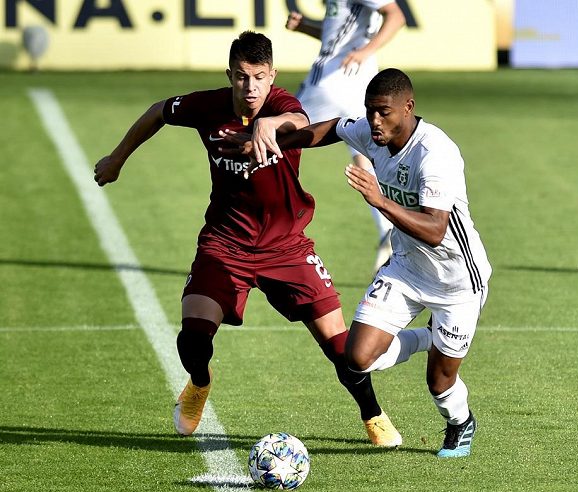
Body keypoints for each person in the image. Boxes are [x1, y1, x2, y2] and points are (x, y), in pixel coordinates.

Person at [93, 31, 403, 447]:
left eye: (259, 77)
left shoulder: (282, 107)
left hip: (287, 245)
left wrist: (271, 125)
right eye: (241, 77)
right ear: (230, 75)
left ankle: (373, 414)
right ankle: (199, 384)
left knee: (341, 348)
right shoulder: (208, 106)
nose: (250, 87)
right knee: (193, 337)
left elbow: (299, 122)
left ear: (272, 76)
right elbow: (158, 112)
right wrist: (117, 159)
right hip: (225, 243)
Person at [220, 68, 492, 458]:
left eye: (383, 112)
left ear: (408, 108)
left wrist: (380, 200)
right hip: (407, 268)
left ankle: (459, 423)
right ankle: (427, 338)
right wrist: (275, 144)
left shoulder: (436, 153)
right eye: (369, 112)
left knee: (440, 382)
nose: (374, 121)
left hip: (458, 281)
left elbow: (434, 229)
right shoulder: (372, 131)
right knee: (357, 357)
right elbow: (331, 129)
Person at [285, 0, 406, 274]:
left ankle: (257, 222)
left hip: (333, 81)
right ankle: (388, 229)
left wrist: (364, 52)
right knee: (364, 156)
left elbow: (396, 16)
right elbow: (337, 34)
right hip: (355, 82)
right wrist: (305, 26)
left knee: (274, 137)